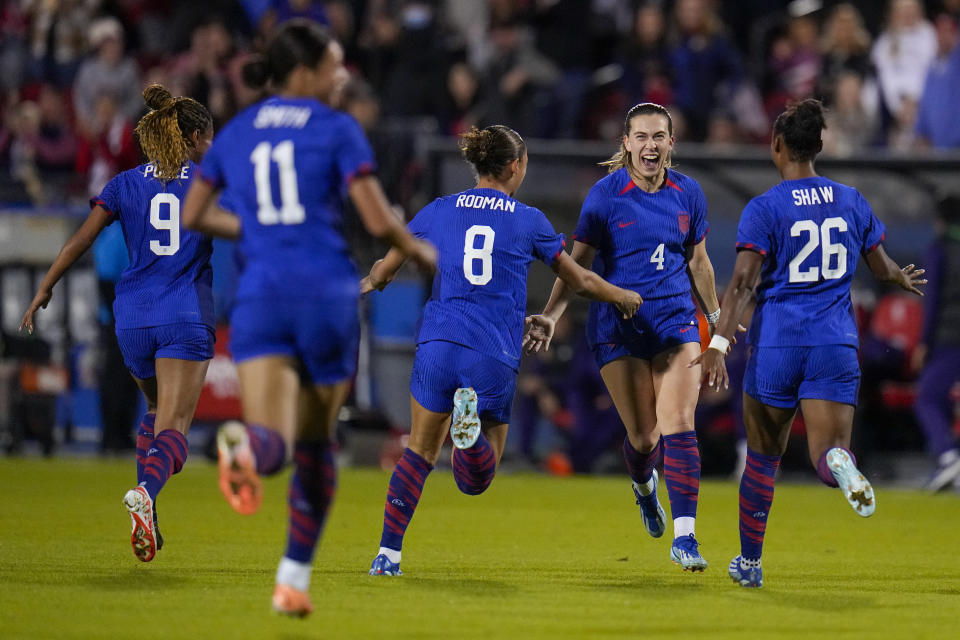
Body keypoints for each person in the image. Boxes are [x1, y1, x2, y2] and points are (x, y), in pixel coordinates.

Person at [180, 20, 436, 617]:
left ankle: (244, 448)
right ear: (304, 72)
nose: (343, 74)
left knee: (272, 443)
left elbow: (196, 212)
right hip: (324, 294)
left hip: (262, 296)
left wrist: (258, 228)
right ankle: (292, 578)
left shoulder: (238, 131)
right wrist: (418, 249)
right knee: (318, 445)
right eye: (335, 65)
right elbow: (376, 220)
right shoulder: (338, 129)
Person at [361, 125, 642, 577]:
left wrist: (366, 283)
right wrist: (623, 296)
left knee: (418, 453)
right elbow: (581, 280)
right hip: (490, 350)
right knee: (476, 479)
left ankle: (388, 554)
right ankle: (469, 439)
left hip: (437, 345)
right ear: (515, 166)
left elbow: (385, 270)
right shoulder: (528, 219)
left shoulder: (438, 210)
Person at [694, 99, 926, 589]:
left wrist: (717, 340)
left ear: (777, 145)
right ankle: (841, 465)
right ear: (819, 146)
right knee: (829, 450)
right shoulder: (851, 199)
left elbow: (741, 285)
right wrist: (899, 278)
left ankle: (751, 565)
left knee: (762, 456)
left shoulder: (765, 208)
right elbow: (881, 267)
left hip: (778, 343)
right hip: (835, 343)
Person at [21, 85, 216, 563]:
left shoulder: (124, 182)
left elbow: (78, 241)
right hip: (184, 311)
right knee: (177, 425)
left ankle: (147, 510)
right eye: (209, 138)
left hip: (132, 319)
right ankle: (145, 493)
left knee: (153, 410)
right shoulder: (209, 181)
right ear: (193, 138)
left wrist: (45, 287)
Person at [524, 102, 722, 572]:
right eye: (641, 137)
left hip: (676, 320)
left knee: (678, 420)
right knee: (642, 436)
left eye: (659, 137)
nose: (650, 146)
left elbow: (698, 262)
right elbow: (576, 265)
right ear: (626, 143)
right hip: (619, 326)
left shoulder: (688, 193)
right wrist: (552, 315)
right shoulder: (604, 197)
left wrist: (715, 318)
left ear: (671, 143)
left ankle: (687, 538)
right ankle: (643, 488)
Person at [912, 194, 960, 491]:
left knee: (927, 397)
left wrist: (923, 343)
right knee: (939, 398)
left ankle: (947, 455)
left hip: (949, 337)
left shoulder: (941, 249)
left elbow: (931, 304)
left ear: (940, 220)